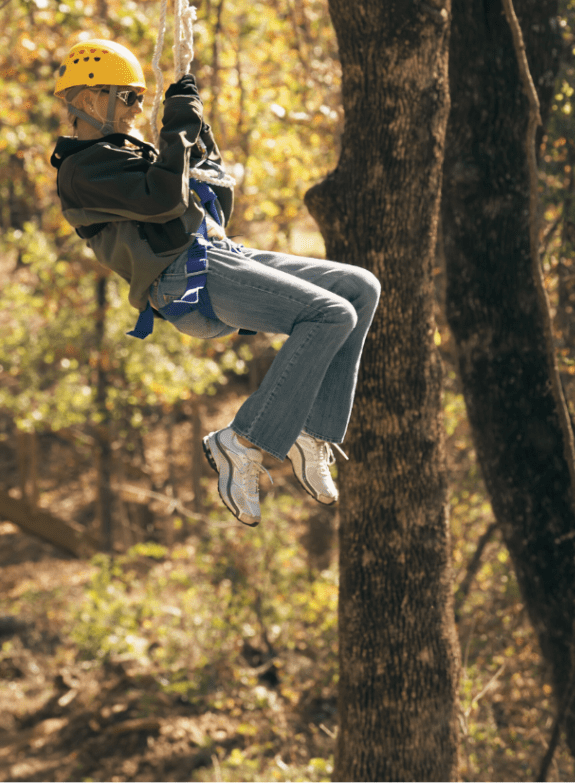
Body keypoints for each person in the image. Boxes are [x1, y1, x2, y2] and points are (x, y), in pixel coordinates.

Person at [50, 39, 380, 527]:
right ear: (88, 99)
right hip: (184, 278)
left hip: (217, 255)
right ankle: (242, 441)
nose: (139, 108)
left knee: (359, 288)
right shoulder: (83, 170)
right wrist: (178, 122)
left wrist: (197, 132)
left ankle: (312, 432)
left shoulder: (129, 150)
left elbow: (211, 201)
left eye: (141, 97)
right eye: (129, 97)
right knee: (331, 314)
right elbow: (162, 200)